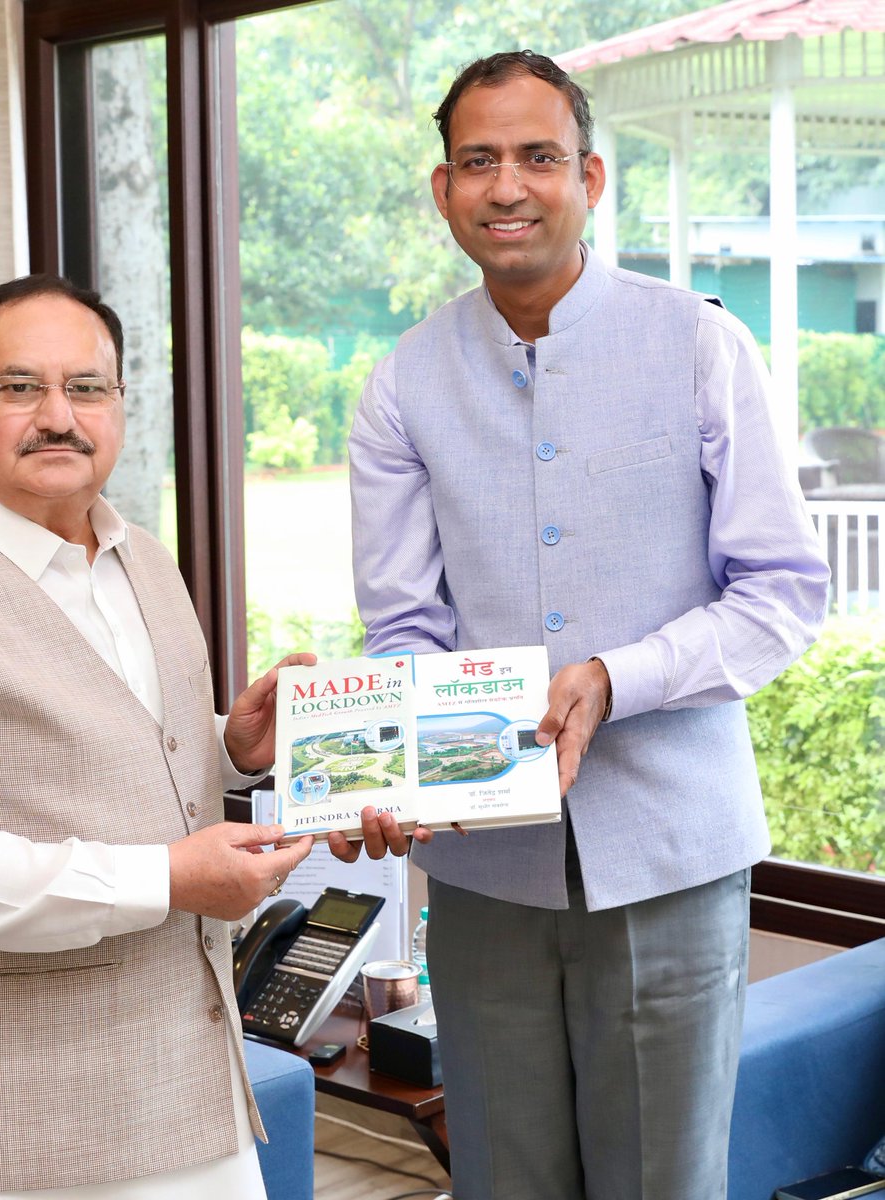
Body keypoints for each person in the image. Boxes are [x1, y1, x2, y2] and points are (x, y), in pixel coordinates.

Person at [332, 50, 830, 1200]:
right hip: (482, 875)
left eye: (538, 157)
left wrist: (619, 675)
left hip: (671, 855)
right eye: (478, 160)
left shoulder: (699, 341)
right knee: (502, 1181)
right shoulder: (401, 384)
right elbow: (404, 627)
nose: (507, 186)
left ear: (590, 177)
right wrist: (389, 761)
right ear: (444, 189)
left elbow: (781, 594)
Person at [0, 274, 314, 1200]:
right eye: (19, 387)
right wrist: (165, 877)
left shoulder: (143, 560)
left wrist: (229, 745)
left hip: (191, 1097)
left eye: (87, 388)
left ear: (118, 406)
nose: (58, 416)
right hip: (7, 1136)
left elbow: (96, 747)